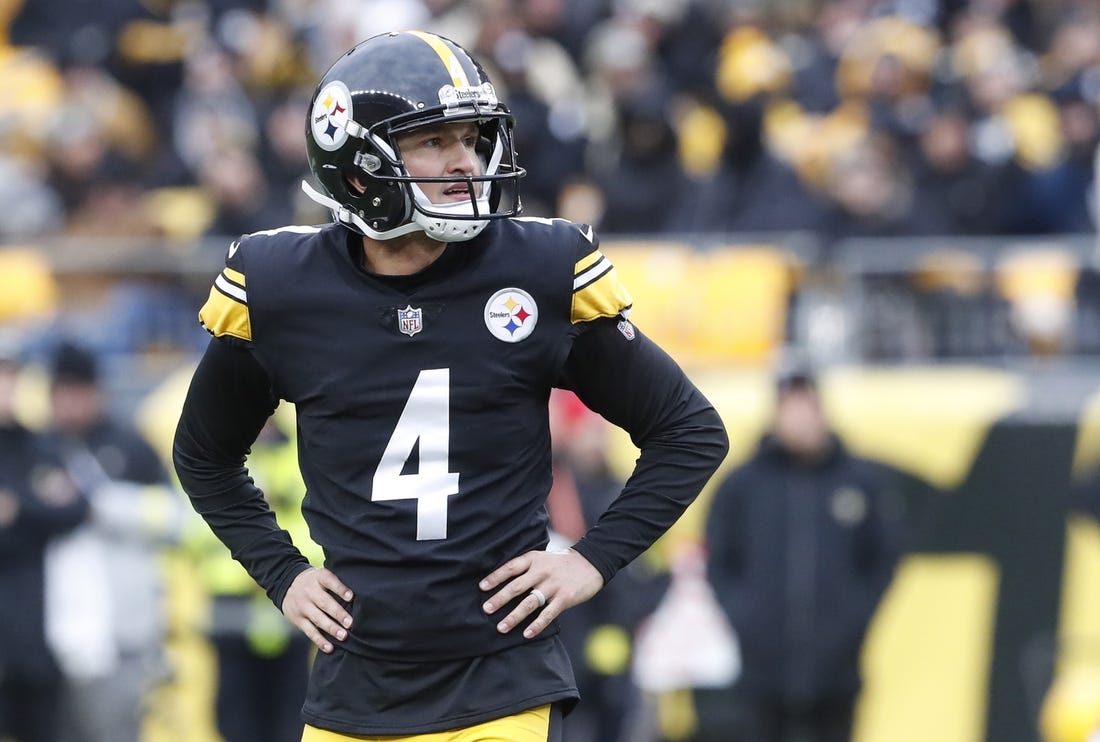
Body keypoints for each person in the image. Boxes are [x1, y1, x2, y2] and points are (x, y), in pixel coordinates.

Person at [172, 29, 729, 742]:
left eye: (471, 137)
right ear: (358, 163)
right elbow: (204, 455)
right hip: (354, 687)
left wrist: (593, 560)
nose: (466, 161)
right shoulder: (280, 288)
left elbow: (688, 431)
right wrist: (282, 573)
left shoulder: (538, 268)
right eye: (435, 141)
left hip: (499, 681)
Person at [696, 359, 904, 742]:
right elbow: (717, 560)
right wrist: (746, 618)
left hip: (838, 669)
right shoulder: (743, 485)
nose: (802, 416)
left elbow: (884, 559)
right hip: (761, 671)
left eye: (808, 404)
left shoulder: (859, 482)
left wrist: (852, 619)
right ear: (775, 413)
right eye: (791, 405)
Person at [43, 339, 187, 742]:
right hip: (52, 630)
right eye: (61, 393)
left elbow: (178, 516)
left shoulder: (129, 445)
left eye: (78, 391)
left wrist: (101, 505)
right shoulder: (40, 447)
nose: (70, 403)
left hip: (125, 630)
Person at [0, 334, 88, 742]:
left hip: (37, 634)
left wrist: (18, 509)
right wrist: (36, 504)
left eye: (11, 376)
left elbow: (75, 508)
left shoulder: (38, 445)